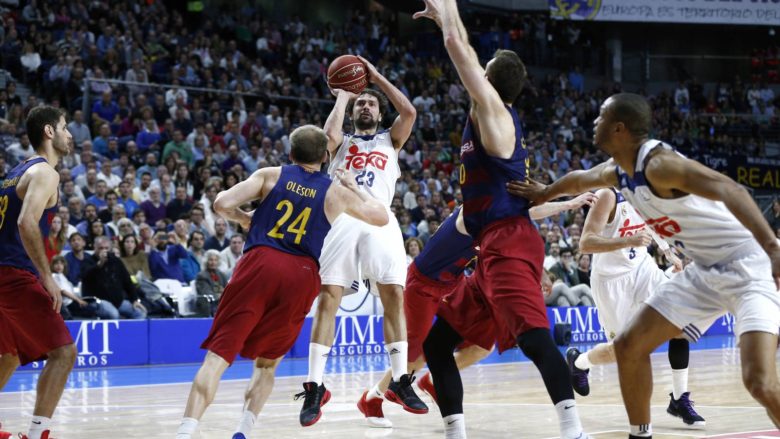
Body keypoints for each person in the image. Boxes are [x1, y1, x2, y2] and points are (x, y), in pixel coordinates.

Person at [508, 92, 780, 437]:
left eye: (601, 117)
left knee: (758, 381)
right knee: (629, 346)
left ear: (619, 128)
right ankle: (641, 433)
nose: (594, 122)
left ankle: (679, 397)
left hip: (746, 267)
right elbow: (578, 179)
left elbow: (733, 190)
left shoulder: (659, 164)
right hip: (702, 272)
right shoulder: (617, 173)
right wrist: (545, 192)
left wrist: (772, 247)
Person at [414, 2, 590, 438]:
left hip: (507, 242)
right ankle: (456, 430)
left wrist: (449, 10)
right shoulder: (490, 116)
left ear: (489, 79)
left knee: (534, 339)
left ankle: (574, 430)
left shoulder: (492, 112)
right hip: (491, 243)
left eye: (483, 68)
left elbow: (459, 47)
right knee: (436, 344)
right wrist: (445, 19)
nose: (477, 71)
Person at [175, 125, 389, 439]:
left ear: (291, 153)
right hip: (301, 275)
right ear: (326, 157)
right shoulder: (335, 190)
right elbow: (380, 217)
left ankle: (186, 432)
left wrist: (244, 218)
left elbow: (221, 203)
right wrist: (353, 186)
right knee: (266, 364)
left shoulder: (270, 174)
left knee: (217, 358)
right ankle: (243, 431)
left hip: (260, 263)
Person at [358, 194, 597, 428]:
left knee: (482, 346)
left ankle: (431, 381)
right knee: (416, 356)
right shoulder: (473, 213)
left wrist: (568, 204)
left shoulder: (489, 214)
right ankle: (373, 398)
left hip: (453, 282)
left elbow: (523, 214)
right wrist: (565, 203)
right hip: (424, 284)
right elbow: (525, 212)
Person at [300, 55, 420, 427]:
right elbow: (326, 139)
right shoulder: (339, 143)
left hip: (380, 217)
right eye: (361, 102)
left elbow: (410, 111)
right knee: (328, 299)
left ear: (379, 114)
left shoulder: (391, 139)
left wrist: (374, 77)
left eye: (371, 103)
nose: (365, 106)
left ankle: (399, 379)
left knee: (395, 297)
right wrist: (342, 95)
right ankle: (315, 386)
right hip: (342, 220)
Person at [565, 187, 707, 427]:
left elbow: (650, 222)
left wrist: (666, 250)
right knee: (621, 351)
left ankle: (679, 398)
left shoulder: (644, 190)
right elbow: (586, 243)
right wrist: (628, 240)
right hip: (611, 280)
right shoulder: (608, 195)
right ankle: (579, 362)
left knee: (680, 319)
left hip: (643, 269)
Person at [0, 106, 77, 439]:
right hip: (13, 274)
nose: (70, 134)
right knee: (64, 353)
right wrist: (47, 277)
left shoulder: (13, 173)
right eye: (65, 127)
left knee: (8, 355)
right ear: (49, 132)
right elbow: (25, 222)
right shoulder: (46, 172)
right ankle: (38, 433)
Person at [80, 236, 147, 320]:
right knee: (113, 314)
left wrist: (135, 300)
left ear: (110, 248)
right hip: (96, 301)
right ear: (95, 247)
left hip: (117, 301)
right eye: (100, 248)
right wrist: (99, 264)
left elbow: (127, 282)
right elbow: (84, 276)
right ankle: (116, 333)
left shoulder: (116, 261)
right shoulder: (87, 260)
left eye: (106, 248)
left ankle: (131, 333)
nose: (104, 250)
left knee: (140, 312)